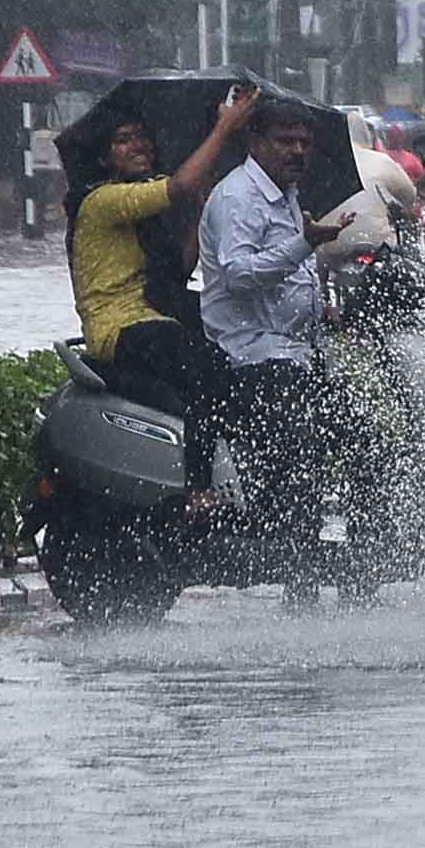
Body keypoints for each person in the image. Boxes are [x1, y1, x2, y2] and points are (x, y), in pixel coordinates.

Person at [63, 86, 259, 493]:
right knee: (204, 368)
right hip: (121, 328)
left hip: (150, 318)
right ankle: (199, 490)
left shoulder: (141, 215)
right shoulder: (103, 201)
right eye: (123, 140)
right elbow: (179, 186)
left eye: (141, 136)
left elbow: (177, 273)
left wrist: (199, 219)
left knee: (231, 361)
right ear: (104, 157)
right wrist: (223, 128)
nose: (138, 146)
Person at [198, 105, 364, 552]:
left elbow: (292, 278)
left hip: (297, 352)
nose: (296, 151)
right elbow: (238, 274)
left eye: (304, 143)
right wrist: (304, 243)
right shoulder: (238, 198)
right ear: (255, 142)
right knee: (300, 450)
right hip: (253, 356)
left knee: (365, 432)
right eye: (285, 140)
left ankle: (364, 558)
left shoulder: (286, 193)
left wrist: (323, 310)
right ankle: (293, 559)